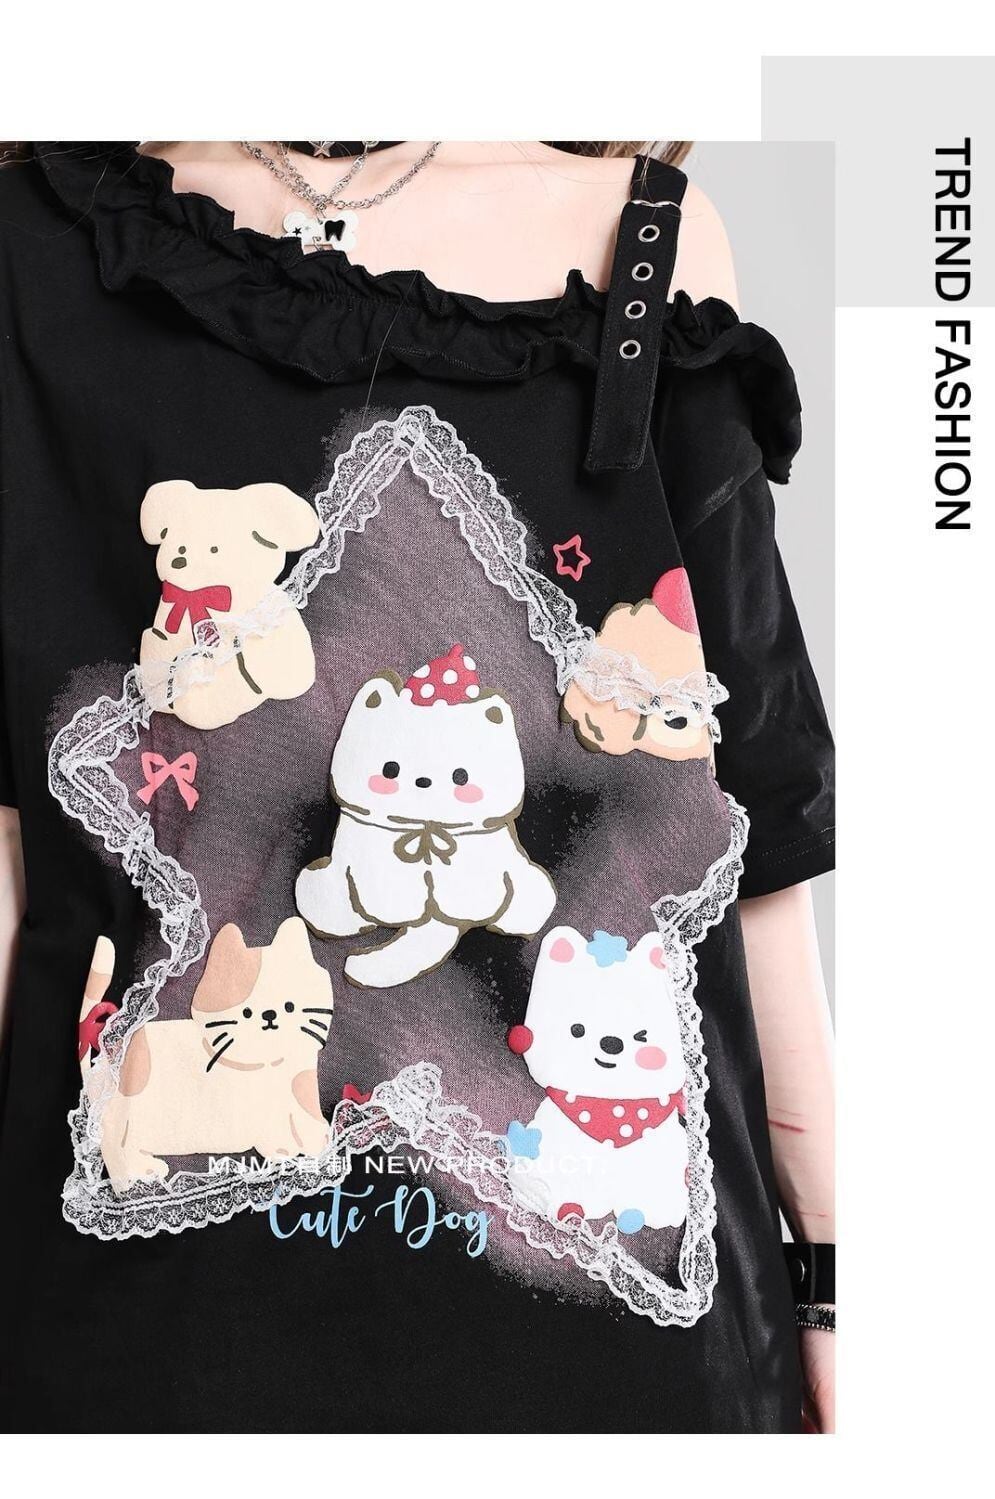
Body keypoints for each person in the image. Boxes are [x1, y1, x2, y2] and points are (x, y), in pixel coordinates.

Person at [0, 141, 834, 1433]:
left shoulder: (647, 245)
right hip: (149, 1354)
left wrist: (831, 1280)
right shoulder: (38, 247)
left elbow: (752, 834)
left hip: (626, 1369)